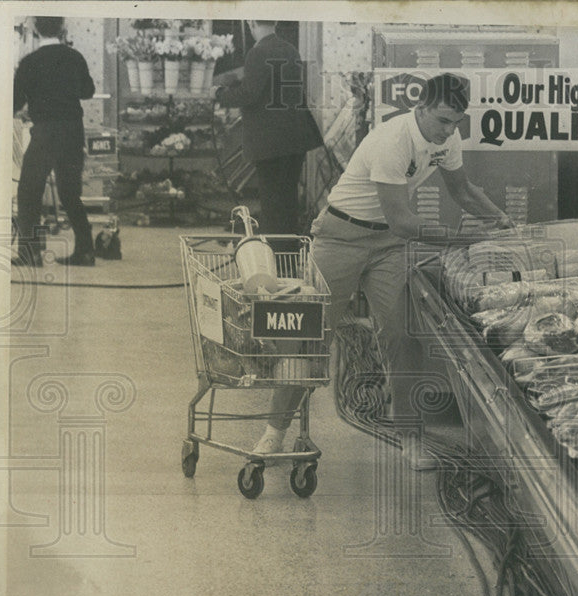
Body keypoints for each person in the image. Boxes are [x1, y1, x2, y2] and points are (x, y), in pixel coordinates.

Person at [252, 73, 512, 470]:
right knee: (310, 335)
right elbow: (403, 222)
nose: (449, 130)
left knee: (402, 335)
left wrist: (501, 221)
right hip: (341, 237)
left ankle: (411, 437)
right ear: (420, 108)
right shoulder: (393, 140)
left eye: (456, 122)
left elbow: (461, 191)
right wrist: (459, 240)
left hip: (387, 247)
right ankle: (274, 432)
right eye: (442, 120)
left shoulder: (447, 138)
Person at [215, 20, 323, 239]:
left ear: (251, 23)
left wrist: (219, 94)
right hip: (295, 141)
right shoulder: (291, 50)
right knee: (287, 204)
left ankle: (273, 260)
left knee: (272, 206)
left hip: (270, 144)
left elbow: (249, 95)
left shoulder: (258, 52)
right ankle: (289, 259)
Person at [13, 16, 96, 267]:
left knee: (29, 192)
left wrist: (26, 110)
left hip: (45, 133)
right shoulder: (75, 57)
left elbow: (15, 103)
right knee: (71, 193)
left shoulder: (28, 62)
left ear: (35, 30)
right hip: (72, 131)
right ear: (63, 29)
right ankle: (85, 251)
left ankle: (31, 253)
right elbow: (87, 91)